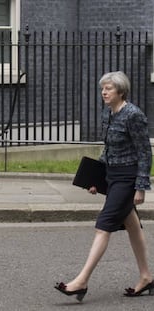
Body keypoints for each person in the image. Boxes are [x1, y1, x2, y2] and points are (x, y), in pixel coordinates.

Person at [54, 71, 153, 302]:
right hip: (111, 176)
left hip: (127, 179)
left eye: (108, 89)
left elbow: (144, 153)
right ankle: (147, 277)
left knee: (103, 225)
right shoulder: (108, 113)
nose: (104, 93)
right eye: (102, 89)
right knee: (133, 227)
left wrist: (140, 187)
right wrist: (96, 177)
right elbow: (107, 148)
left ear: (121, 91)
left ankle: (81, 282)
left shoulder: (133, 115)